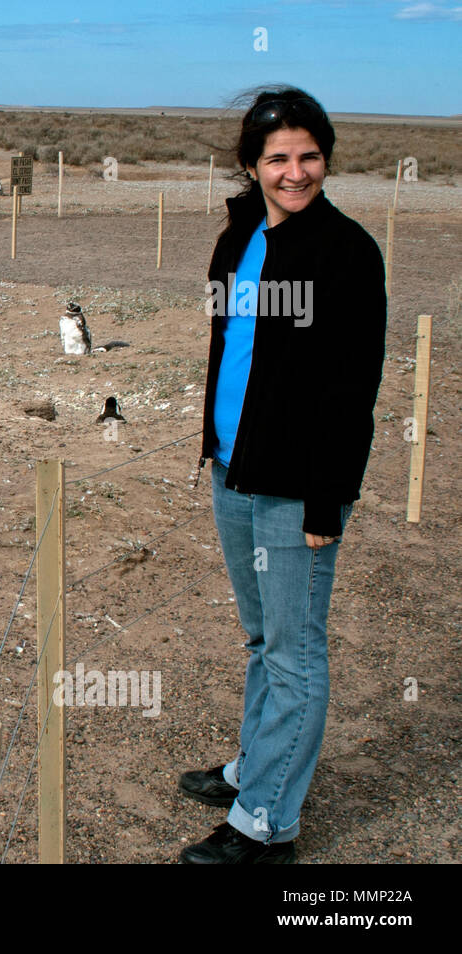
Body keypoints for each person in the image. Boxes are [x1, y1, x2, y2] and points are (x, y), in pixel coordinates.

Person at [179, 87, 387, 863]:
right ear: (252, 164)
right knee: (265, 637)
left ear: (325, 157)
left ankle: (266, 824)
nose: (295, 171)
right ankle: (254, 770)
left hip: (298, 486)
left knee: (296, 653)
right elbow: (231, 346)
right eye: (278, 157)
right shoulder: (236, 238)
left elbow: (351, 388)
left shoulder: (346, 251)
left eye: (308, 155)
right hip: (234, 469)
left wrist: (329, 498)